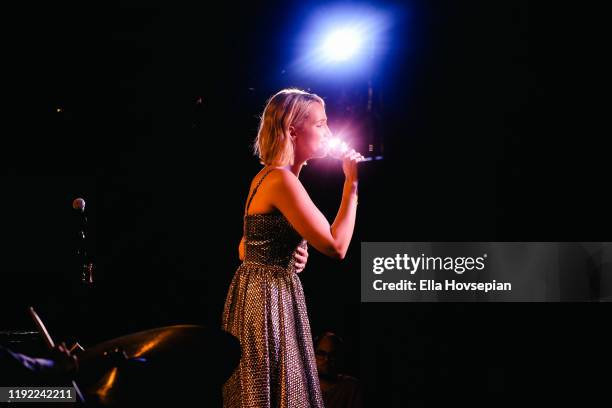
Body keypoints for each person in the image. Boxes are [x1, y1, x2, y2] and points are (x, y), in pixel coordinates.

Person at [221, 88, 363, 408]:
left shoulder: (268, 177)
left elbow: (246, 246)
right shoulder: (282, 180)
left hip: (260, 293)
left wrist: (289, 252)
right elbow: (337, 247)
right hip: (267, 300)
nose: (328, 132)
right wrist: (351, 185)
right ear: (292, 130)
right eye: (321, 124)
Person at [314, 331, 364, 408]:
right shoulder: (302, 386)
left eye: (332, 355)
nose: (326, 359)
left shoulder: (350, 387)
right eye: (321, 353)